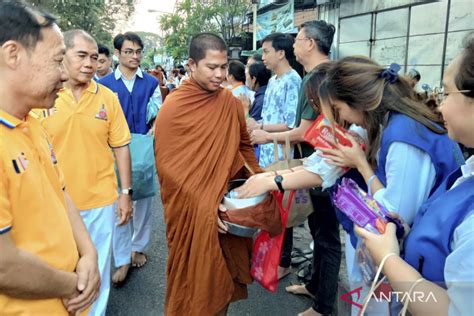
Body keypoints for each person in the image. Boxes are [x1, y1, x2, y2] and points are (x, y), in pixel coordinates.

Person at [315, 56, 463, 315]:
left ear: (358, 100)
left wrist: (361, 164)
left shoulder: (404, 134)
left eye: (339, 110)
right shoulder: (397, 123)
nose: (344, 120)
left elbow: (396, 215)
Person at [356, 34, 474, 316]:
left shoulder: (402, 134)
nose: (441, 106)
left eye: (447, 93)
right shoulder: (467, 173)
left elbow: (454, 310)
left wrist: (388, 258)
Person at [0, 2, 100, 314]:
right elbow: (4, 266)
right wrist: (76, 284)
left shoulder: (32, 123)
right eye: (58, 60)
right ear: (13, 54)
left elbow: (62, 195)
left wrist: (89, 256)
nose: (64, 74)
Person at [154, 32, 263, 316]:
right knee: (193, 283)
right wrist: (205, 206)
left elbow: (243, 144)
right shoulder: (173, 108)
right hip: (194, 211)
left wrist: (259, 181)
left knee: (221, 281)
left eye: (224, 67)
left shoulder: (229, 102)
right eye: (211, 67)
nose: (220, 74)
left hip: (226, 208)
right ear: (191, 64)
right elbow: (168, 168)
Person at [38, 29, 133, 316]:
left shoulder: (107, 97)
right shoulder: (41, 98)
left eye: (94, 57)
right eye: (81, 56)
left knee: (98, 269)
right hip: (52, 204)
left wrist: (125, 193)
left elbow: (121, 146)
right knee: (59, 269)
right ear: (62, 55)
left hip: (100, 201)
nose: (89, 63)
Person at [99, 31, 161, 284]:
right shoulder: (103, 84)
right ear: (117, 53)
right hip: (112, 150)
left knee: (143, 202)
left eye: (138, 52)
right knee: (119, 206)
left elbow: (158, 115)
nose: (134, 56)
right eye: (128, 52)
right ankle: (122, 259)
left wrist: (152, 133)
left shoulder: (151, 83)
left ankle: (138, 248)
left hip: (143, 148)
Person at [247, 32, 302, 168]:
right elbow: (270, 117)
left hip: (281, 156)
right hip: (266, 152)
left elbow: (291, 125)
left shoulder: (292, 80)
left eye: (266, 52)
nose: (263, 57)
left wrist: (260, 127)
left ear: (280, 53)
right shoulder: (272, 80)